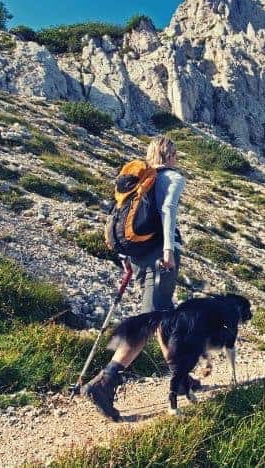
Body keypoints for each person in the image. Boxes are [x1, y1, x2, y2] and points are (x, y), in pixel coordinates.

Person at [83, 136, 186, 420]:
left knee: (163, 315)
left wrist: (128, 260)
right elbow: (168, 211)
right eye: (175, 154)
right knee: (150, 318)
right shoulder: (171, 178)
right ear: (172, 154)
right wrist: (168, 249)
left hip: (140, 259)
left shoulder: (139, 183)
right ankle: (105, 381)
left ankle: (181, 375)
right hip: (158, 259)